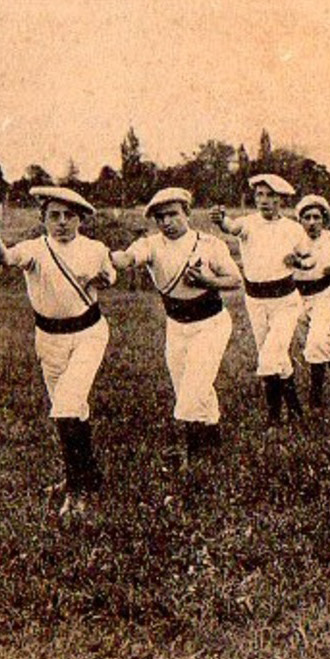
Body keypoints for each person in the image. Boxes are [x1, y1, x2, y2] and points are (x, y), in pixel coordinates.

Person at [0, 188, 116, 521]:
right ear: (42, 219)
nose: (61, 222)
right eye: (53, 215)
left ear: (80, 220)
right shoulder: (34, 250)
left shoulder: (95, 248)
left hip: (88, 334)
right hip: (49, 338)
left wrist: (102, 279)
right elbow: (4, 259)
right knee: (71, 409)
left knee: (67, 406)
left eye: (69, 216)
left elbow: (110, 276)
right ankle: (86, 475)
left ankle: (77, 492)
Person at [112, 188, 241, 466]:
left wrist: (208, 281)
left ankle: (193, 459)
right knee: (188, 385)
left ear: (187, 213)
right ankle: (211, 442)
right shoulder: (151, 244)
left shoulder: (209, 244)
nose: (166, 222)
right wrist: (110, 259)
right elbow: (128, 257)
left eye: (172, 214)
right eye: (160, 217)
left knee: (192, 390)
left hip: (211, 324)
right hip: (177, 326)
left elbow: (235, 279)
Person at [210, 174, 305, 427]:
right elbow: (231, 227)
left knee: (268, 358)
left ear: (281, 199)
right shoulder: (248, 224)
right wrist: (221, 220)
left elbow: (309, 258)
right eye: (260, 195)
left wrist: (299, 262)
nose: (264, 201)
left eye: (271, 196)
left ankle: (273, 418)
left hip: (285, 301)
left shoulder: (293, 229)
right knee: (278, 356)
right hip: (256, 301)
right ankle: (295, 409)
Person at [291, 194, 330, 407]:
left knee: (316, 340)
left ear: (324, 218)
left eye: (316, 217)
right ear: (300, 220)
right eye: (306, 217)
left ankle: (315, 394)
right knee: (322, 339)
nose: (311, 222)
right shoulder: (293, 239)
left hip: (324, 294)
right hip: (298, 296)